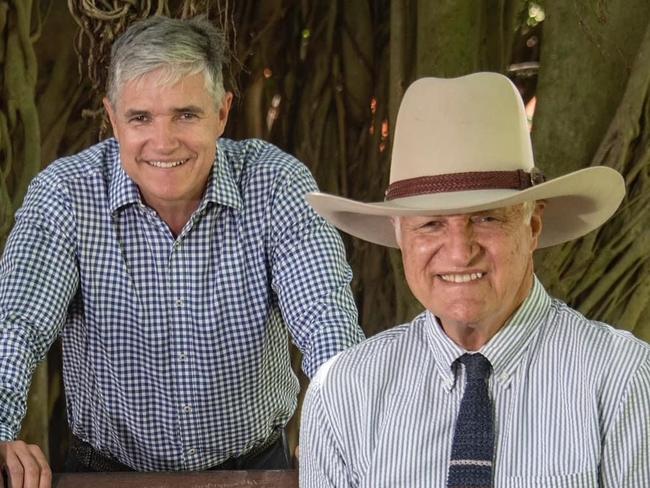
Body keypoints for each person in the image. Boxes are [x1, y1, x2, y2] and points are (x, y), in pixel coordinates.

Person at [0, 14, 364, 486]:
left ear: (222, 113)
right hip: (106, 474)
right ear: (113, 119)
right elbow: (15, 324)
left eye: (186, 114)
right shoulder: (66, 194)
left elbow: (326, 320)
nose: (163, 141)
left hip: (254, 471)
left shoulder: (276, 185)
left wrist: (341, 424)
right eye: (141, 118)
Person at [299, 72, 650, 487]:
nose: (460, 251)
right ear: (399, 234)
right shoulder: (343, 392)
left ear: (533, 223)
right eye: (430, 224)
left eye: (486, 218)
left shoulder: (623, 380)